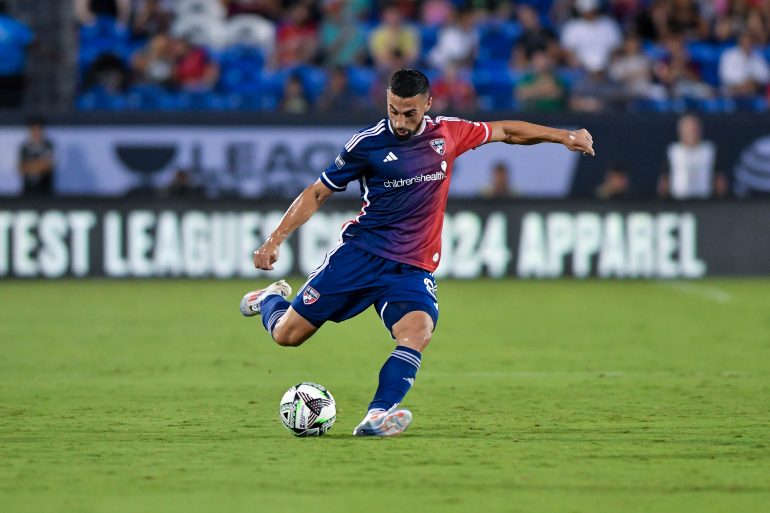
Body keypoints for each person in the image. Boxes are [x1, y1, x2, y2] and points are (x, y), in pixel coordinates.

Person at [239, 69, 594, 437]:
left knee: (417, 332)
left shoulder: (448, 133)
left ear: (428, 104)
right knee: (287, 335)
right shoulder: (367, 144)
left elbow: (506, 131)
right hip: (361, 256)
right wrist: (274, 239)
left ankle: (376, 416)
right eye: (393, 110)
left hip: (412, 267)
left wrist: (564, 136)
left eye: (409, 113)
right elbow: (317, 192)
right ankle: (269, 299)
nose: (400, 121)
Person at [659, 114, 726, 199]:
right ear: (680, 130)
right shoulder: (673, 150)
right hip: (677, 202)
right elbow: (664, 179)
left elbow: (719, 179)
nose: (691, 132)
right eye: (687, 128)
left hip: (705, 202)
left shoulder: (710, 150)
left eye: (694, 128)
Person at [18, 118, 55, 196]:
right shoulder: (24, 147)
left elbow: (48, 166)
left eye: (38, 130)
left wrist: (30, 166)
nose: (36, 133)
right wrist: (39, 165)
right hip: (28, 191)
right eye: (33, 130)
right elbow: (21, 168)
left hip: (45, 191)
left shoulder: (48, 146)